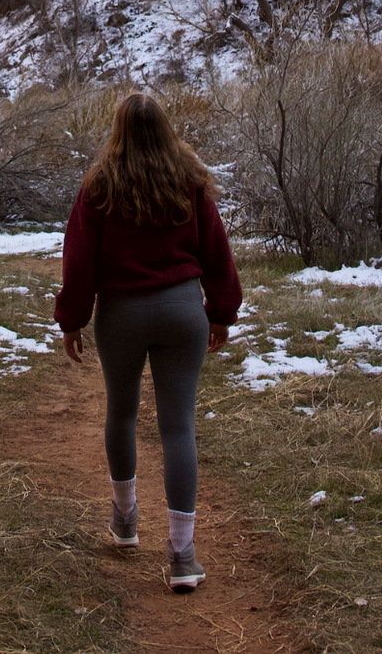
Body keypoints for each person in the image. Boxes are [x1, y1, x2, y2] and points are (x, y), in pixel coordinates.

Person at [54, 90, 242, 594]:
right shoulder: (191, 179)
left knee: (122, 412)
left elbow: (79, 262)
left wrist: (72, 320)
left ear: (116, 131)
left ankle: (125, 522)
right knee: (178, 427)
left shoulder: (99, 185)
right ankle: (183, 557)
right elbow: (217, 250)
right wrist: (221, 311)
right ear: (165, 128)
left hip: (122, 316)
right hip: (183, 313)